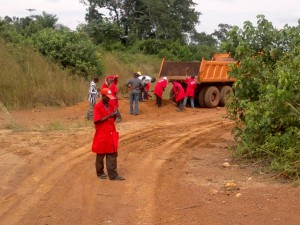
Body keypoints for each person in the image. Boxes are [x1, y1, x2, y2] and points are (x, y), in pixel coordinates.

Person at [92, 88, 125, 181]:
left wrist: (114, 116)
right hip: (102, 134)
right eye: (107, 97)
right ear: (102, 96)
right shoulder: (98, 107)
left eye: (110, 98)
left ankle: (113, 175)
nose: (109, 99)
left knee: (112, 154)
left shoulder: (110, 105)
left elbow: (112, 120)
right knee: (100, 155)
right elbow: (97, 120)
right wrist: (109, 116)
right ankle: (100, 172)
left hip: (111, 133)